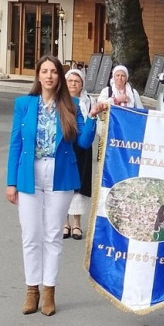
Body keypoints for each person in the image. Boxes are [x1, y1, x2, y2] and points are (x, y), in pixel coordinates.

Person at [6, 55, 98, 316]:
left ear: (59, 76)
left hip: (60, 175)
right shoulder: (24, 104)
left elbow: (82, 143)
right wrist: (10, 182)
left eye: (53, 72)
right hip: (29, 174)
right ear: (38, 76)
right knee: (30, 235)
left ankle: (49, 291)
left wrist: (91, 118)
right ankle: (31, 290)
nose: (48, 76)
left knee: (53, 235)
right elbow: (16, 144)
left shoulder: (72, 105)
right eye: (44, 71)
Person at [64, 67, 95, 240]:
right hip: (65, 146)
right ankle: (64, 223)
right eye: (70, 81)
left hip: (82, 147)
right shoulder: (59, 99)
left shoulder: (88, 101)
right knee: (63, 185)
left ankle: (77, 224)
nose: (73, 84)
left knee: (80, 185)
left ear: (82, 84)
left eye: (77, 81)